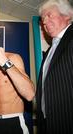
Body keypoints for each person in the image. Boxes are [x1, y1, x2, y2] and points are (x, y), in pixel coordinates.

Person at [36, 0, 73, 133]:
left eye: (49, 15)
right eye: (43, 19)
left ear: (67, 15)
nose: (44, 22)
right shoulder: (50, 51)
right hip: (48, 124)